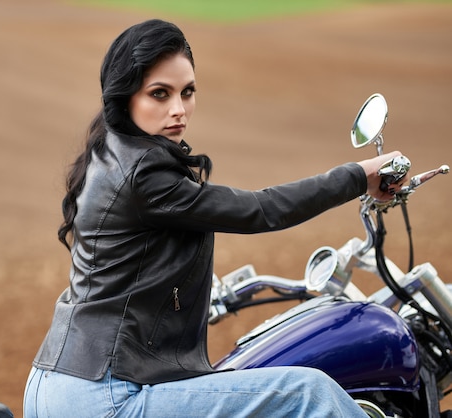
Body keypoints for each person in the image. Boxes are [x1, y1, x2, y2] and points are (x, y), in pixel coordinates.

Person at [24, 19, 401, 418]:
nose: (178, 110)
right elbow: (261, 209)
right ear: (125, 97)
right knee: (308, 392)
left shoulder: (108, 151)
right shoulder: (145, 175)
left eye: (187, 92)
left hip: (54, 385)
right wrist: (360, 175)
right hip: (105, 396)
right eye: (159, 94)